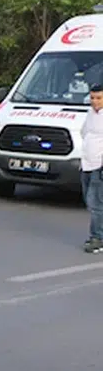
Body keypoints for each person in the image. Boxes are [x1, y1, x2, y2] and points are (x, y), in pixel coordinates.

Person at [79, 85, 103, 254]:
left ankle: (97, 238)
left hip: (99, 166)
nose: (94, 101)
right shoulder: (90, 114)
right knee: (89, 201)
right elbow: (84, 133)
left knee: (96, 203)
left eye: (99, 98)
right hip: (86, 163)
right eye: (92, 98)